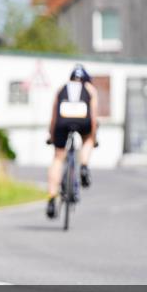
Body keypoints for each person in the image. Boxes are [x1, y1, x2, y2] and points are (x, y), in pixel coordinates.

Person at [46, 64, 98, 219]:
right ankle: (83, 167)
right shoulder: (89, 89)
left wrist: (52, 135)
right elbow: (94, 117)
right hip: (83, 121)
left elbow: (54, 116)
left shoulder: (62, 88)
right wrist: (93, 137)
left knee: (58, 158)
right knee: (88, 139)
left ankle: (51, 199)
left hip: (62, 122)